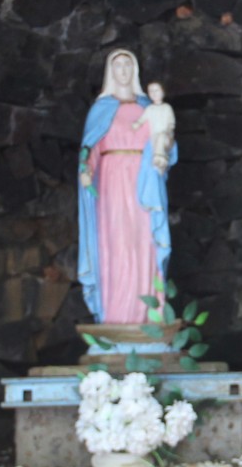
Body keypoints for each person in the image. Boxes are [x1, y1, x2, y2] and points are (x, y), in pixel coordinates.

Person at [76, 50, 177, 325]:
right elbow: (91, 147)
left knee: (144, 241)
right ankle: (116, 315)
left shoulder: (148, 106)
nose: (123, 70)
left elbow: (165, 143)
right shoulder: (101, 109)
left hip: (143, 181)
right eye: (117, 66)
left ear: (135, 71)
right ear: (110, 71)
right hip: (110, 183)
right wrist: (87, 170)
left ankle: (148, 315)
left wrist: (165, 145)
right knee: (116, 243)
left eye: (127, 65)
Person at [134, 81, 177, 175]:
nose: (154, 93)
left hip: (165, 136)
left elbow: (171, 122)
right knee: (155, 144)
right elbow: (142, 119)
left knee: (161, 138)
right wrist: (137, 124)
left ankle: (160, 162)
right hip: (154, 137)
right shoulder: (150, 109)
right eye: (151, 91)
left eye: (156, 90)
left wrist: (169, 129)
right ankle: (159, 164)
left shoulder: (167, 107)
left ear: (163, 92)